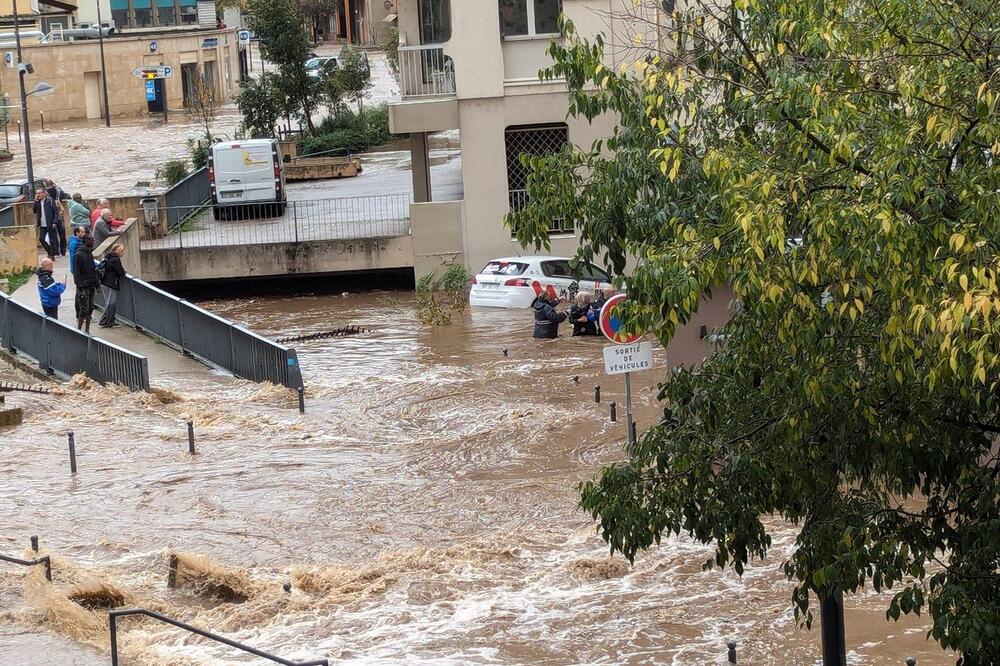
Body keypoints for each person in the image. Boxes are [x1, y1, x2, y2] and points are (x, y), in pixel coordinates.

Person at [73, 235, 98, 333]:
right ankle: (79, 330)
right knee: (84, 309)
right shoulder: (79, 255)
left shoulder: (89, 254)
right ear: (86, 241)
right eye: (91, 240)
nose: (93, 242)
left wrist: (97, 284)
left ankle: (87, 330)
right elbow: (77, 273)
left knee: (90, 309)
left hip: (91, 285)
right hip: (83, 286)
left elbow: (93, 270)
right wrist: (80, 287)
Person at [98, 244, 126, 328]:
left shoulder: (108, 257)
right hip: (110, 283)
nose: (123, 252)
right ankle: (108, 321)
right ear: (116, 251)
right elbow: (121, 272)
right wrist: (124, 271)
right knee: (111, 303)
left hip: (104, 282)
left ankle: (104, 321)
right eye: (121, 250)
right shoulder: (115, 259)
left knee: (108, 302)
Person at [44, 180, 69, 256]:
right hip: (60, 215)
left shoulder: (46, 193)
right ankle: (63, 250)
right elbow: (65, 195)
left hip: (51, 215)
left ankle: (56, 251)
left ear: (46, 185)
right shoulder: (58, 190)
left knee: (53, 235)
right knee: (62, 234)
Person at [33, 188, 59, 260]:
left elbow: (55, 213)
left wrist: (55, 222)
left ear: (44, 193)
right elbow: (34, 211)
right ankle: (50, 252)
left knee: (52, 240)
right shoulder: (38, 202)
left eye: (39, 193)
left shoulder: (50, 201)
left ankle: (52, 255)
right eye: (37, 193)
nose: (38, 195)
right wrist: (35, 202)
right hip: (42, 224)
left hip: (50, 223)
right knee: (41, 239)